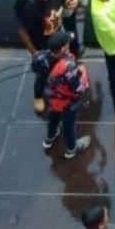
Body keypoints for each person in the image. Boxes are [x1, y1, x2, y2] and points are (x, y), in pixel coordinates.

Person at [15, 0, 68, 113]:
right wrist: (34, 52)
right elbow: (22, 30)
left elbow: (66, 3)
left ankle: (59, 87)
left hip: (57, 37)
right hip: (40, 44)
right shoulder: (29, 5)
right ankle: (38, 96)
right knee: (42, 73)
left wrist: (72, 3)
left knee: (62, 67)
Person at [39, 29, 91, 159]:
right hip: (66, 102)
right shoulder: (68, 66)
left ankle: (49, 139)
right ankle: (71, 149)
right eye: (67, 42)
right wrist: (83, 73)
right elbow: (78, 88)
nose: (69, 43)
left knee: (53, 118)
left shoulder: (44, 58)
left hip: (52, 98)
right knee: (68, 125)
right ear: (63, 48)